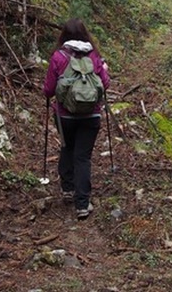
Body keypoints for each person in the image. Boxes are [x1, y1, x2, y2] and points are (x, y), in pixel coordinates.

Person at [43, 18, 110, 219]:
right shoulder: (94, 56)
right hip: (91, 115)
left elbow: (48, 90)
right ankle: (82, 204)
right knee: (83, 157)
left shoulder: (58, 57)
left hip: (65, 116)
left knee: (67, 147)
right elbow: (105, 85)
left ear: (64, 35)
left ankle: (67, 189)